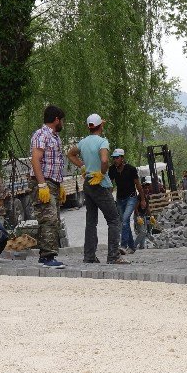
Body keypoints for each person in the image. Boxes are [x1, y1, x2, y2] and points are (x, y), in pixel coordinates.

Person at [66, 113, 126, 264]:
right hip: (100, 184)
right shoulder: (102, 141)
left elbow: (70, 154)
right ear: (101, 126)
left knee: (91, 221)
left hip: (88, 183)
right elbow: (105, 159)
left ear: (89, 127)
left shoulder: (83, 142)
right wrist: (102, 173)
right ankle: (113, 256)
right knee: (114, 220)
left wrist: (83, 166)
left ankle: (89, 256)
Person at [29, 105, 67, 268]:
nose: (63, 124)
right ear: (56, 119)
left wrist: (61, 184)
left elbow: (56, 162)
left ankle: (50, 254)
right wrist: (42, 184)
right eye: (62, 120)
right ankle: (46, 257)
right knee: (48, 218)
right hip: (43, 182)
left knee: (55, 219)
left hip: (54, 182)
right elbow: (35, 159)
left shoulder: (55, 137)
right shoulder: (41, 135)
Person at [107, 148, 146, 254]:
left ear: (122, 158)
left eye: (117, 158)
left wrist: (142, 199)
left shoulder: (131, 169)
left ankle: (123, 245)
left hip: (131, 198)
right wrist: (108, 198)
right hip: (119, 199)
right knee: (125, 223)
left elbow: (138, 185)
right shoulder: (112, 169)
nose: (115, 160)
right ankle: (132, 247)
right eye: (114, 158)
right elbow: (110, 185)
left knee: (124, 220)